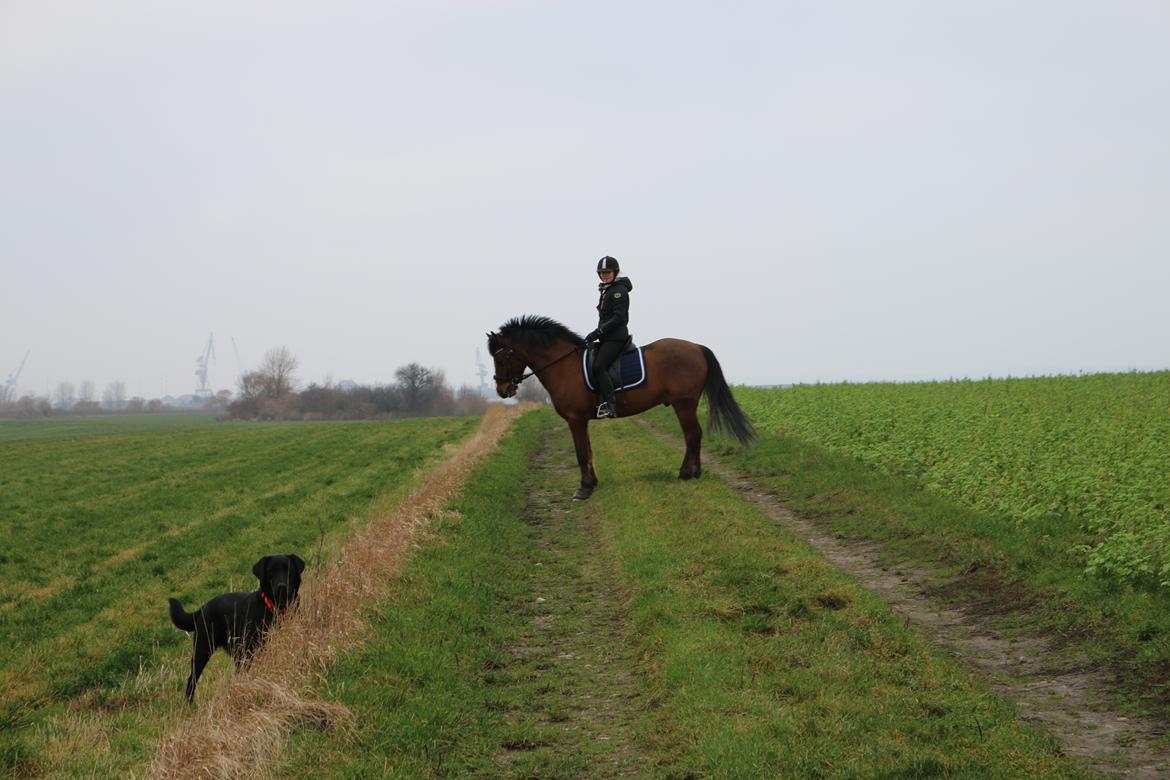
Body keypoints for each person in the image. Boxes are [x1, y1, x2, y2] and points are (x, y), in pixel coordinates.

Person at [584, 255, 633, 418]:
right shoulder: (608, 289)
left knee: (598, 367)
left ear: (615, 272)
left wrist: (598, 333)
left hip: (616, 338)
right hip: (607, 337)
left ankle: (610, 405)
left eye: (608, 272)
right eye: (602, 273)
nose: (605, 275)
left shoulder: (618, 291)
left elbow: (619, 318)